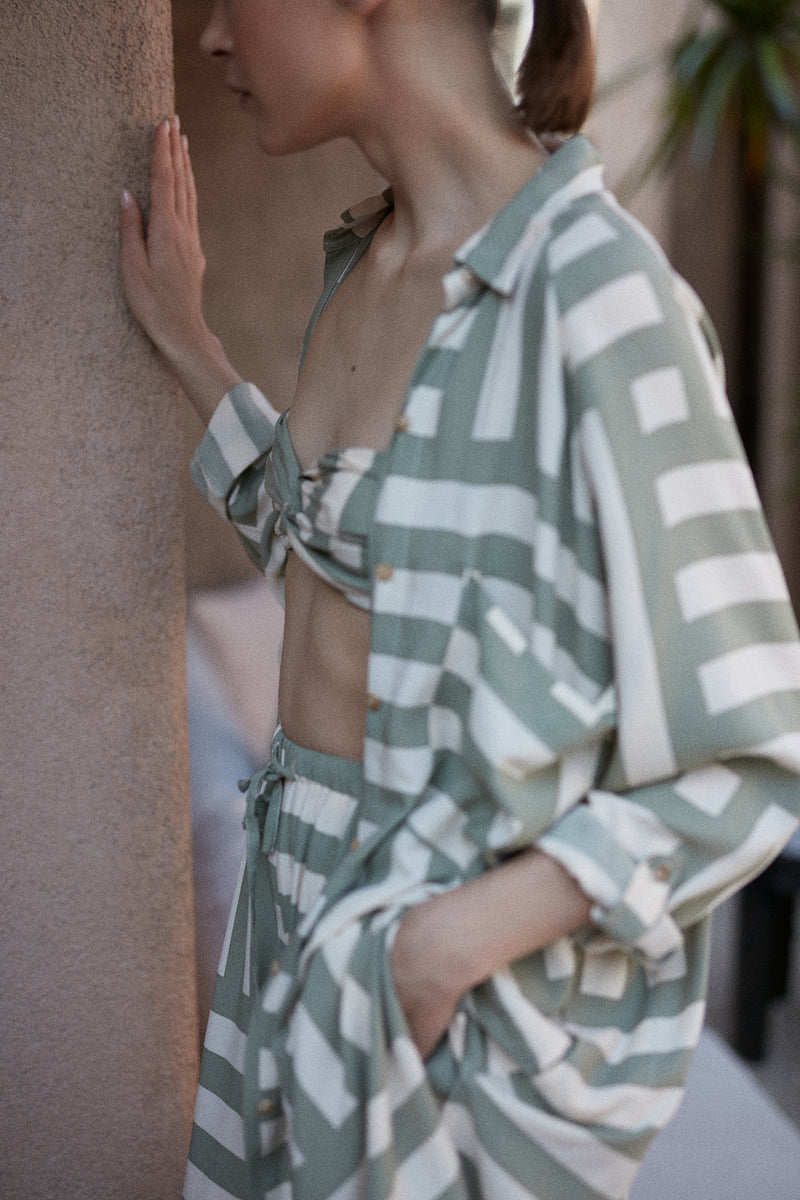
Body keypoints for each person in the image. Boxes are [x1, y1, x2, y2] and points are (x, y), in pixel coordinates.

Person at [119, 2, 800, 1198]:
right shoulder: (367, 264)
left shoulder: (595, 298)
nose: (214, 36)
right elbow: (336, 561)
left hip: (448, 995)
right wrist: (187, 337)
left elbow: (749, 751)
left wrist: (439, 951)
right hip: (292, 924)